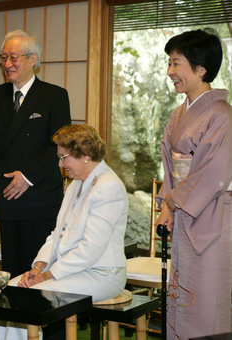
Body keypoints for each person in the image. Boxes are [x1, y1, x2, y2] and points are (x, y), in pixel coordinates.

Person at [0, 124, 128, 340]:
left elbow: (90, 250)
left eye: (64, 157)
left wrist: (48, 276)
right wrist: (38, 267)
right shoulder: (76, 184)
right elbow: (56, 234)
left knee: (30, 295)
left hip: (102, 274)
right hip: (73, 269)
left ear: (85, 155)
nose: (60, 164)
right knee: (12, 289)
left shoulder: (108, 186)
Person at [0, 29, 71, 278]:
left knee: (39, 269)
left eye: (13, 58)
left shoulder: (54, 96)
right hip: (5, 195)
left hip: (39, 196)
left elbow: (59, 146)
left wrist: (26, 176)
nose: (7, 64)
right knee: (12, 268)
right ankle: (11, 316)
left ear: (32, 59)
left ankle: (45, 318)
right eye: (3, 57)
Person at [155, 29, 231, 339]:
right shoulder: (178, 114)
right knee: (183, 293)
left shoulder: (222, 115)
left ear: (200, 69)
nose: (170, 71)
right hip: (185, 212)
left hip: (213, 215)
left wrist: (172, 201)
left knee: (208, 297)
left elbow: (215, 172)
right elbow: (171, 166)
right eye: (169, 63)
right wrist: (167, 206)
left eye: (176, 63)